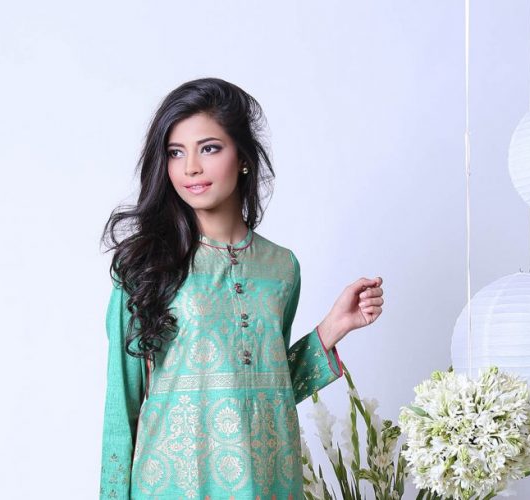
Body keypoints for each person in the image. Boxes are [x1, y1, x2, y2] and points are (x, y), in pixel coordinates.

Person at [98, 77, 385, 499]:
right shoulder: (145, 265)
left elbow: (269, 391)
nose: (190, 167)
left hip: (268, 482)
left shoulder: (282, 267)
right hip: (174, 486)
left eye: (209, 148)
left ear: (243, 157)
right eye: (176, 153)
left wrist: (331, 330)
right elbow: (120, 406)